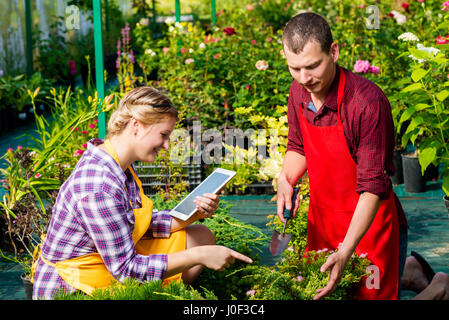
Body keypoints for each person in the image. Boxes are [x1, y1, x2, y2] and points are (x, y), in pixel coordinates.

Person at [31, 86, 252, 299]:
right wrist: (198, 256)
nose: (167, 145)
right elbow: (126, 270)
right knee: (198, 251)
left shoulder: (117, 162)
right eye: (164, 135)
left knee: (200, 236)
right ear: (136, 125)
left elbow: (131, 223)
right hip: (73, 287)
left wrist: (194, 213)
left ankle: (163, 290)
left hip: (102, 261)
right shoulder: (98, 188)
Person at [276, 12, 408, 300]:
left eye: (313, 66)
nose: (304, 78)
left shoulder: (366, 104)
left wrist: (346, 250)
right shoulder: (298, 92)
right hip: (323, 222)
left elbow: (373, 187)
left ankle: (437, 289)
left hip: (370, 225)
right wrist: (285, 179)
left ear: (333, 52)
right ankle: (411, 270)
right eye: (294, 68)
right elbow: (298, 146)